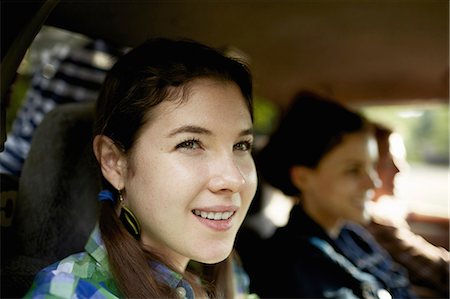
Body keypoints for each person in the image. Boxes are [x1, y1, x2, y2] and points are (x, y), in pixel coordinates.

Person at [24, 37, 258, 299]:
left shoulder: (229, 276)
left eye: (241, 145)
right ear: (114, 162)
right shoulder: (71, 293)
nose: (233, 179)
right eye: (190, 143)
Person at [247, 90, 417, 298]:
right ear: (302, 178)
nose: (373, 182)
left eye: (371, 166)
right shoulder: (295, 266)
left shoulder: (350, 233)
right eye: (353, 170)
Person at [365, 123, 450, 298]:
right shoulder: (376, 223)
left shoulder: (383, 207)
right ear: (370, 166)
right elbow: (441, 273)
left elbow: (409, 211)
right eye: (390, 161)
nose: (400, 168)